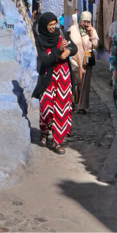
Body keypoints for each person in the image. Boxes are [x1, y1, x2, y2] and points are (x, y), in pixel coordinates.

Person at [32, 12, 77, 154]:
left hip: (63, 77)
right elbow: (45, 60)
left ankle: (57, 142)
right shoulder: (40, 40)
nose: (53, 27)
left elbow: (74, 47)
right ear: (44, 26)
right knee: (46, 107)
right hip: (48, 78)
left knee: (61, 109)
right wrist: (58, 51)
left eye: (54, 24)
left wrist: (68, 51)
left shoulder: (61, 34)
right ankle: (45, 130)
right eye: (50, 25)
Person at [71, 10, 99, 114]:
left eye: (88, 21)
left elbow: (95, 45)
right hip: (75, 60)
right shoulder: (74, 29)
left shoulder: (92, 30)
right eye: (84, 21)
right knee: (74, 81)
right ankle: (72, 101)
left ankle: (81, 106)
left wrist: (91, 35)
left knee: (84, 84)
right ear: (80, 20)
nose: (86, 24)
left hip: (86, 60)